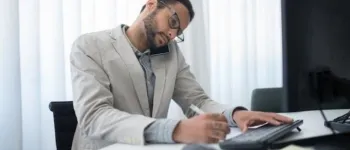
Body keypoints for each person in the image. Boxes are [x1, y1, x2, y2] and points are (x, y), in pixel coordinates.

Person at [69, 0, 293, 149]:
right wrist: (175, 129)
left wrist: (235, 114)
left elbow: (196, 101)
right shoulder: (90, 45)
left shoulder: (171, 53)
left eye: (178, 32)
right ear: (151, 4)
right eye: (173, 22)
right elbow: (94, 117)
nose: (172, 34)